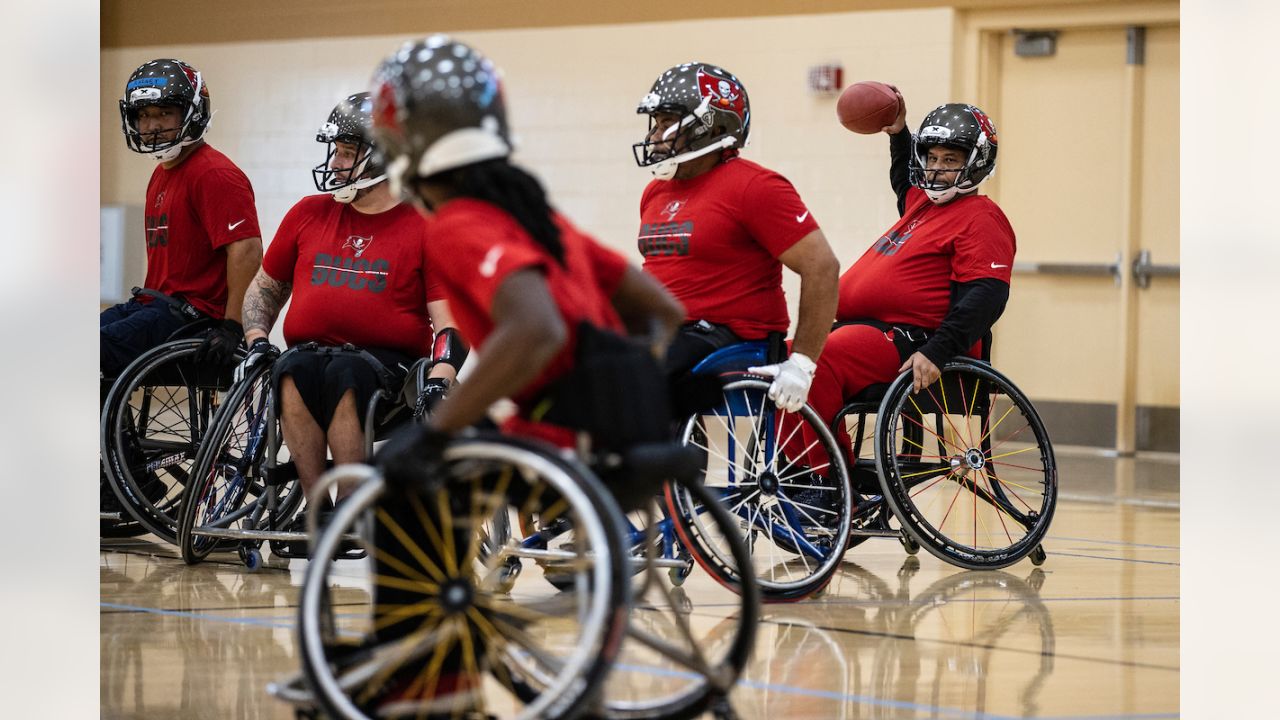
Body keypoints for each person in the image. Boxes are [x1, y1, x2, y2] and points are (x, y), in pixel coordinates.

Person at [358, 35, 685, 716]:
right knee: (432, 480)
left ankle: (433, 682)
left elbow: (536, 330)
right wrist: (631, 391)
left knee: (401, 478)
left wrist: (441, 428)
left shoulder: (457, 226)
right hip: (616, 442)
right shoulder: (542, 221)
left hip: (563, 447)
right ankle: (442, 660)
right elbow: (663, 312)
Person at [236, 92, 461, 542]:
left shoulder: (424, 225)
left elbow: (450, 321)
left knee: (345, 372)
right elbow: (264, 288)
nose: (335, 162)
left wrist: (443, 372)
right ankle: (316, 501)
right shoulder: (307, 213)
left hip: (387, 368)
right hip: (310, 353)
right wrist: (258, 336)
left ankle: (351, 505)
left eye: (345, 152)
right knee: (291, 368)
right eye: (334, 150)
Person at [797, 92, 1015, 486]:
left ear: (977, 162)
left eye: (950, 161)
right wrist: (899, 131)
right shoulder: (923, 207)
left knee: (821, 358)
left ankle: (827, 482)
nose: (936, 169)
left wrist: (936, 351)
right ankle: (796, 472)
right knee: (792, 353)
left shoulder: (983, 217)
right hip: (874, 332)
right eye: (931, 159)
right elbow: (904, 177)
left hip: (917, 345)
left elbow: (987, 295)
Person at [631, 62, 840, 414]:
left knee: (640, 370)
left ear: (709, 123)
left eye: (667, 122)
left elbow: (822, 267)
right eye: (655, 123)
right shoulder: (656, 191)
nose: (654, 135)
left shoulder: (756, 187)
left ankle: (660, 464)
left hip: (728, 336)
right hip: (669, 328)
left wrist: (802, 363)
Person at [102, 58, 263, 379]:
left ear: (192, 112)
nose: (152, 125)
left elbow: (247, 251)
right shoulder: (162, 174)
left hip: (193, 316)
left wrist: (233, 325)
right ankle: (112, 429)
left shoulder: (214, 173)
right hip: (155, 304)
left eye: (164, 113)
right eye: (144, 116)